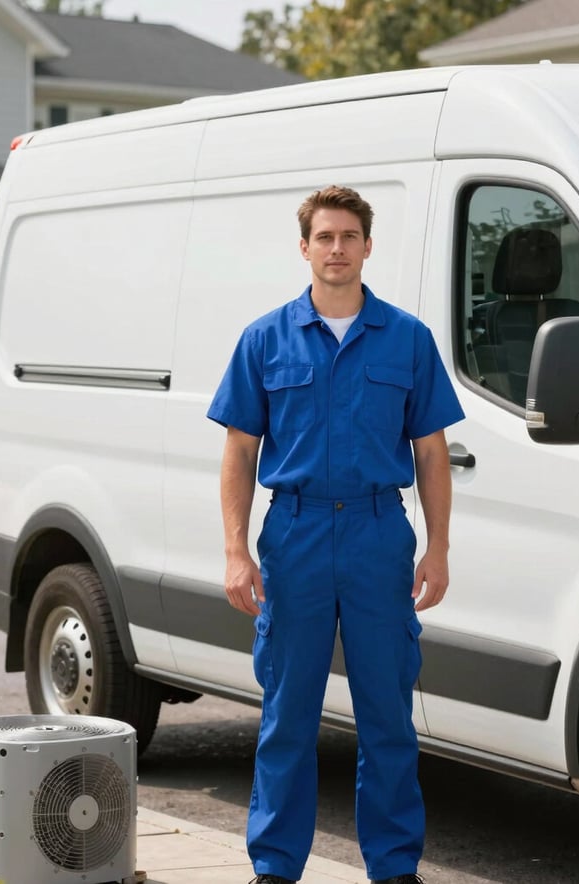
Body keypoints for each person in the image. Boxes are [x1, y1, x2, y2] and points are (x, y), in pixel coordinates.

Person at [207, 185, 465, 884]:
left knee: (387, 716)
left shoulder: (407, 338)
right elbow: (239, 450)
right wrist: (235, 550)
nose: (337, 249)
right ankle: (274, 866)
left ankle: (393, 867)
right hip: (294, 533)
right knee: (287, 714)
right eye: (324, 237)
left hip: (381, 532)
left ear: (367, 246)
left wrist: (437, 547)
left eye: (349, 236)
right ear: (304, 247)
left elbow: (432, 452)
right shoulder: (265, 339)